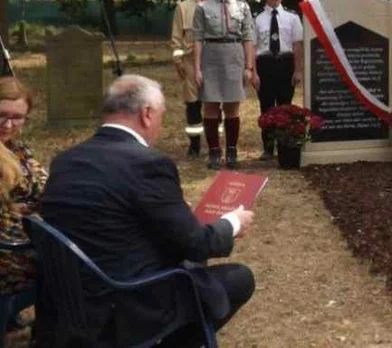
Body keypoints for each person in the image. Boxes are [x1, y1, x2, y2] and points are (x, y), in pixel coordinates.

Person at [40, 76, 255, 348]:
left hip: (68, 300)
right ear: (147, 114)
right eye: (162, 117)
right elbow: (196, 245)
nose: (160, 127)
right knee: (238, 278)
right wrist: (231, 223)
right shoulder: (148, 164)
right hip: (124, 303)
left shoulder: (65, 160)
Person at [192, 0, 256, 170]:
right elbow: (198, 38)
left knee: (232, 106)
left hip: (234, 56)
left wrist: (249, 66)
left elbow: (248, 37)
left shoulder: (243, 6)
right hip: (210, 56)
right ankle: (213, 152)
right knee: (210, 105)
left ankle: (231, 151)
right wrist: (197, 68)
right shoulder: (202, 7)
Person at [0, 78, 47, 325]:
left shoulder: (17, 148)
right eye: (1, 115)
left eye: (17, 117)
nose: (8, 124)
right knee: (66, 271)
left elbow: (44, 187)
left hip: (24, 237)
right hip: (9, 248)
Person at [254, 0, 303, 160]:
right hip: (265, 64)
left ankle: (285, 146)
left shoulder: (292, 17)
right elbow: (252, 46)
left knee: (285, 106)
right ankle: (267, 148)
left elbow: (297, 46)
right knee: (266, 107)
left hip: (285, 63)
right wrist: (254, 72)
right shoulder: (257, 18)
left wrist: (298, 70)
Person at [170, 0, 213, 158]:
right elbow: (176, 37)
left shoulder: (219, 5)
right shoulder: (183, 7)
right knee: (193, 104)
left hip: (213, 60)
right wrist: (178, 61)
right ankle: (195, 145)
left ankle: (214, 143)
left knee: (213, 103)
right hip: (189, 61)